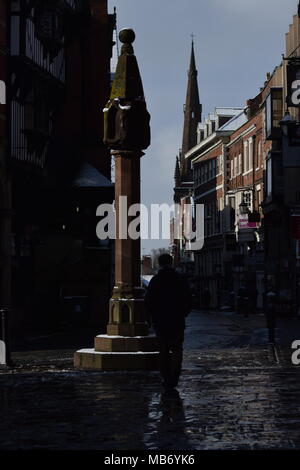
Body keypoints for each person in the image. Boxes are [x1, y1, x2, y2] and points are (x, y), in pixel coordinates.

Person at [145, 253, 192, 390]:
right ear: (171, 262)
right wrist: (182, 314)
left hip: (161, 321)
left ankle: (166, 378)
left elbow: (149, 301)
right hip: (177, 320)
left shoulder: (155, 280)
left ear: (159, 264)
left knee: (163, 350)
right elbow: (188, 299)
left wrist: (154, 317)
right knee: (177, 349)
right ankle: (175, 376)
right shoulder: (180, 279)